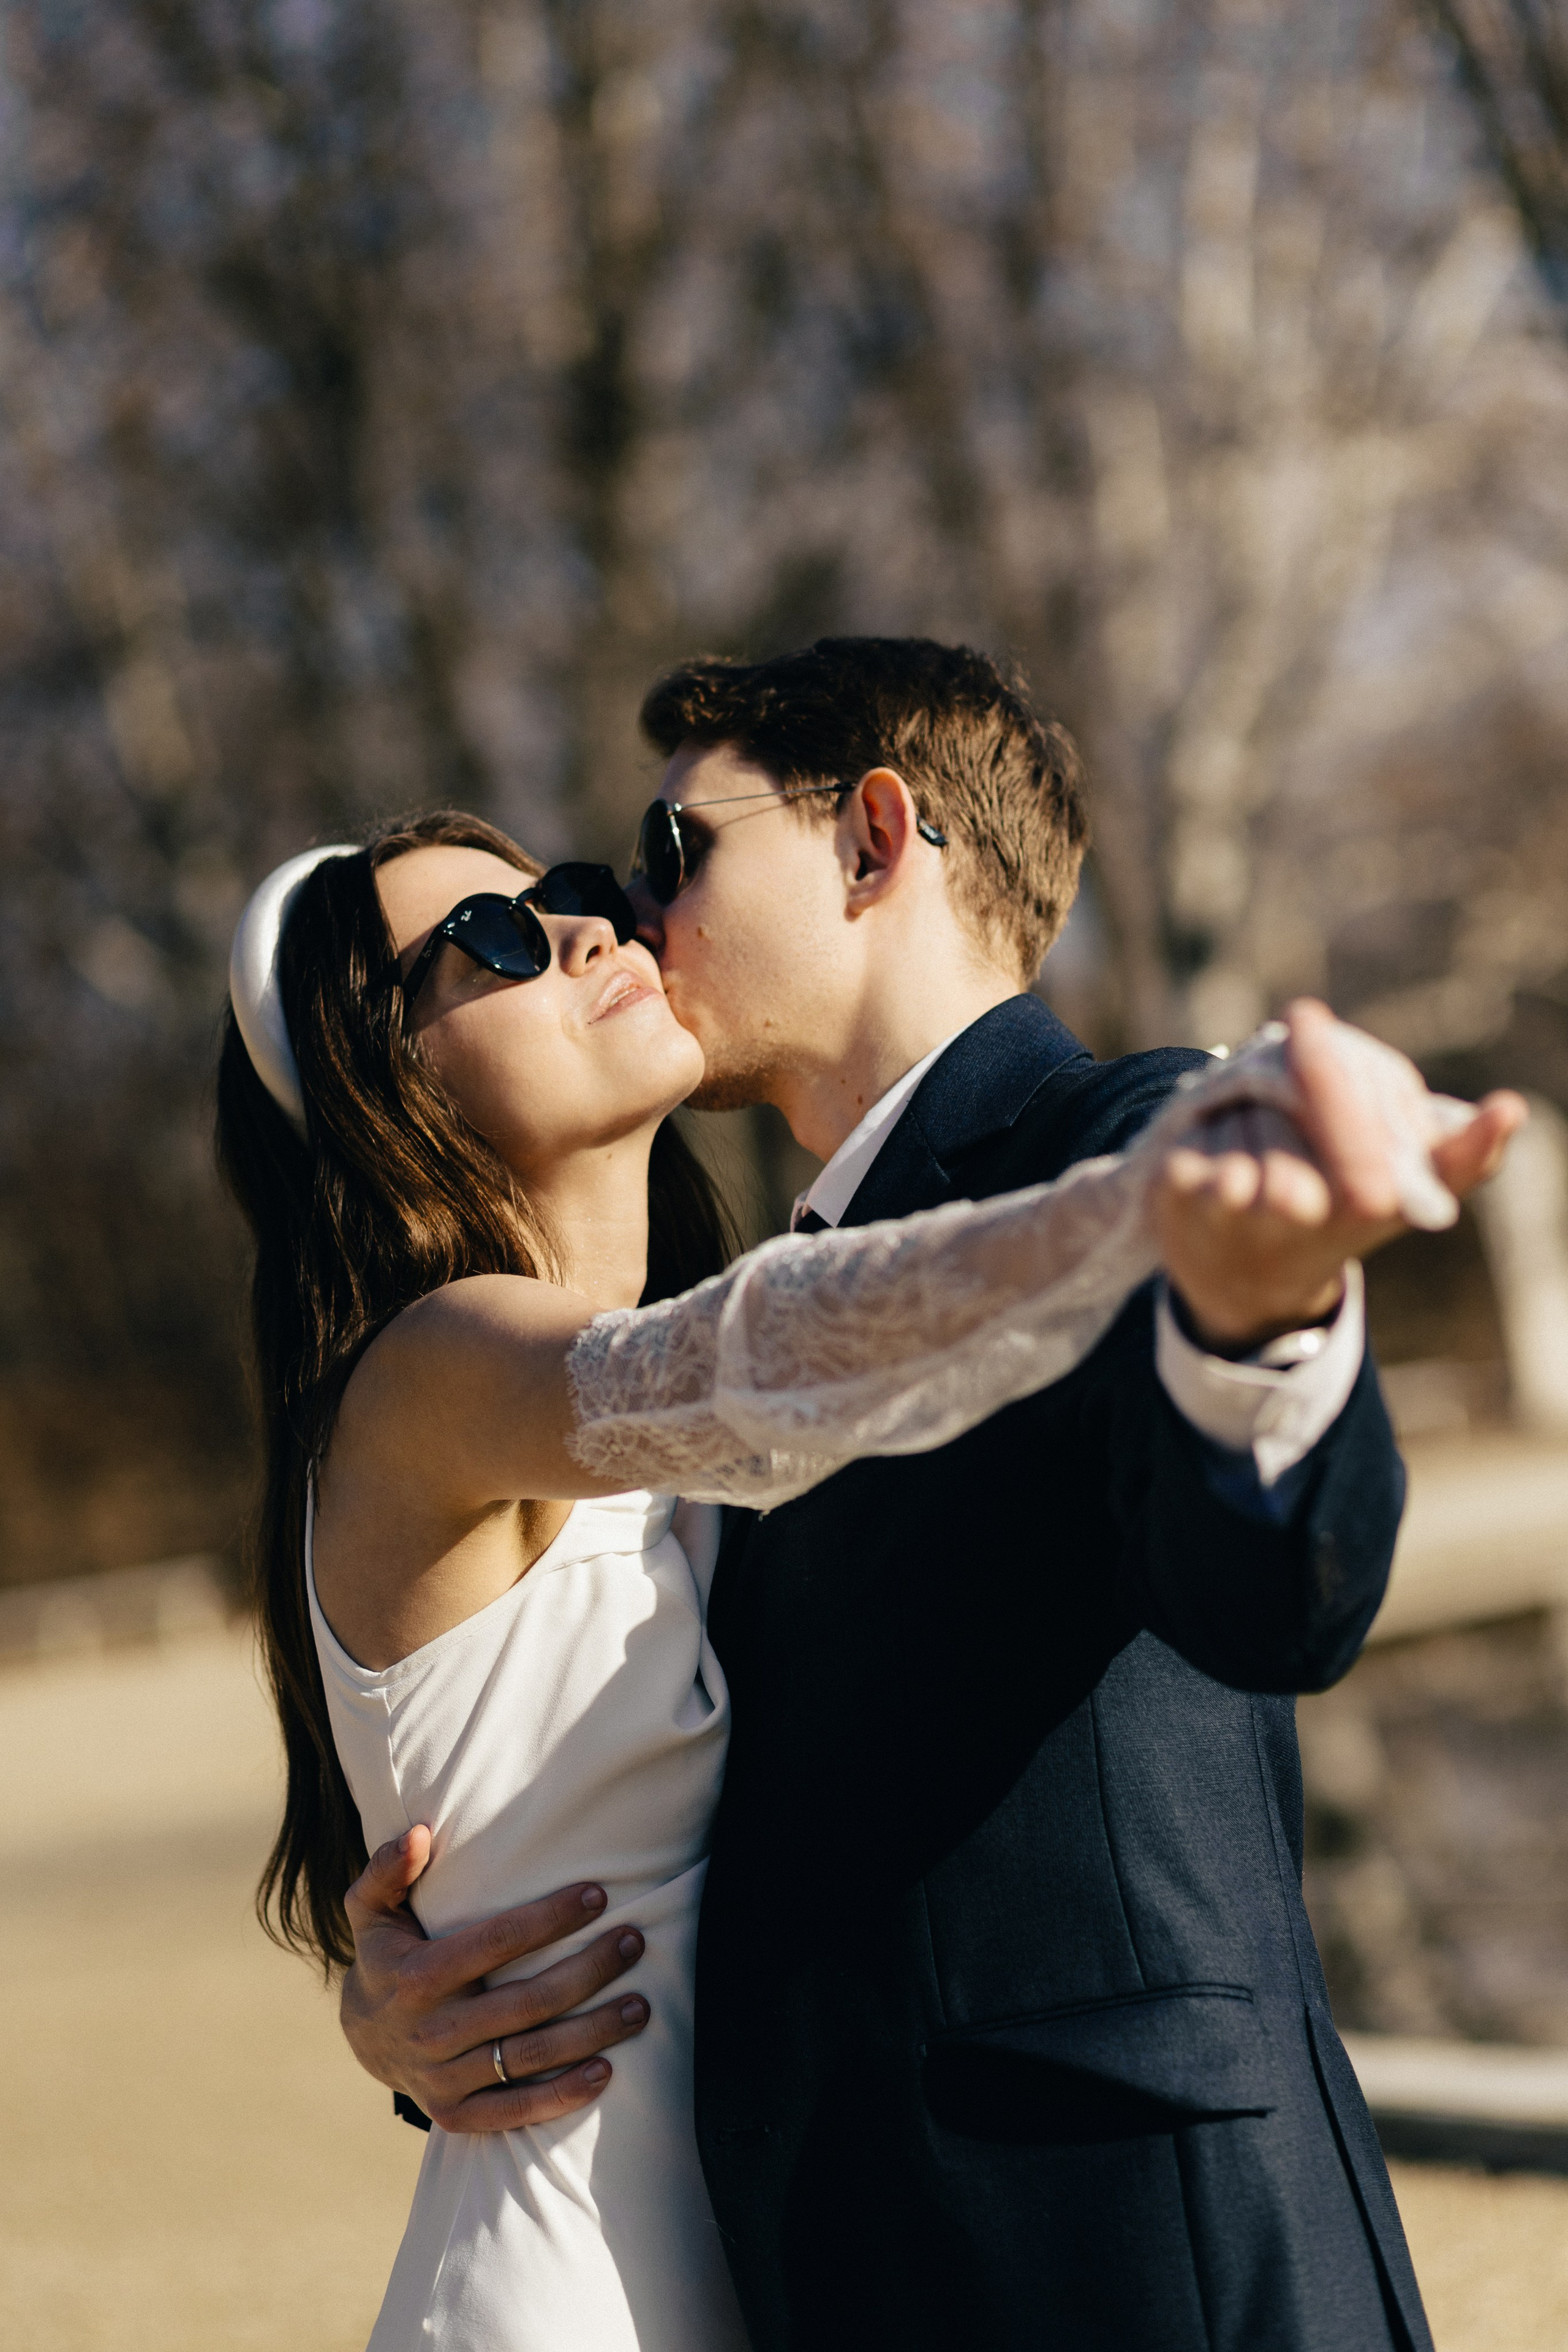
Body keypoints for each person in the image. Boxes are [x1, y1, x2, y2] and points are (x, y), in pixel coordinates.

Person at [333, 641, 1522, 2352]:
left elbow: (1282, 1594)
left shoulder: (1130, 1139)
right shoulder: (721, 1321)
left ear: (876, 843)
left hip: (1145, 2264)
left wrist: (1263, 1307)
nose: (632, 924)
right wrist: (406, 2006)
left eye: (673, 859)